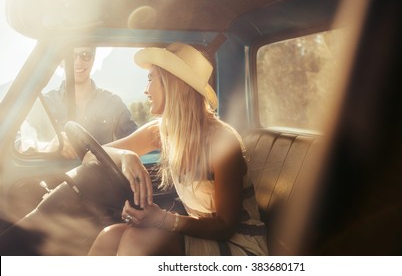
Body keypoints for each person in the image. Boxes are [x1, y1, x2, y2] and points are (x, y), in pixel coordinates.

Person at [87, 43, 268, 255]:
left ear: (172, 84)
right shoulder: (162, 131)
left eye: (150, 78)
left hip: (239, 247)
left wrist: (162, 219)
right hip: (201, 235)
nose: (146, 90)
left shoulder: (222, 140)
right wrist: (125, 156)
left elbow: (225, 227)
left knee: (138, 239)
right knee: (110, 236)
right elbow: (91, 157)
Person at [43, 47, 138, 159]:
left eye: (85, 54)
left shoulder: (113, 102)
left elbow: (137, 141)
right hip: (60, 176)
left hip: (102, 175)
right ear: (60, 61)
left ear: (93, 59)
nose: (78, 61)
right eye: (70, 55)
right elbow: (20, 142)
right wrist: (48, 146)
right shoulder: (46, 103)